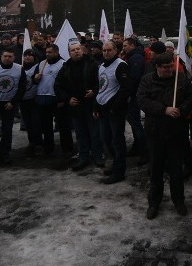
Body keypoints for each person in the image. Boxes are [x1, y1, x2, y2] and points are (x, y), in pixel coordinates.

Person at [137, 51, 192, 219]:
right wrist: (163, 110)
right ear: (157, 67)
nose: (170, 69)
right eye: (166, 67)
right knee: (155, 170)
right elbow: (142, 101)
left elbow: (190, 99)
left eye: (172, 65)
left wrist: (181, 110)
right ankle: (154, 202)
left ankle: (179, 201)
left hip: (176, 133)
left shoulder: (181, 78)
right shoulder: (147, 80)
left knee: (176, 171)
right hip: (155, 133)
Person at [55, 43, 103, 171]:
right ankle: (83, 157)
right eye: (73, 50)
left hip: (91, 104)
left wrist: (94, 91)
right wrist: (67, 99)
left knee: (94, 132)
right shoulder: (66, 67)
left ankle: (98, 155)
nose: (76, 51)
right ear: (69, 53)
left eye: (78, 49)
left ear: (82, 51)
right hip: (75, 106)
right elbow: (58, 85)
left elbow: (102, 82)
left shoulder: (93, 64)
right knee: (80, 133)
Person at [94, 41, 131, 184]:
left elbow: (125, 89)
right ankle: (116, 164)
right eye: (104, 50)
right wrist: (96, 107)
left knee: (117, 141)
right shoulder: (102, 66)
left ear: (115, 50)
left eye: (109, 50)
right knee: (107, 139)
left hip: (115, 111)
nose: (106, 53)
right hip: (103, 109)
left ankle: (119, 171)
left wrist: (114, 107)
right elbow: (100, 88)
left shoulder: (121, 65)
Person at [0, 48, 27, 165]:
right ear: (1, 57)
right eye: (5, 56)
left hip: (9, 104)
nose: (7, 58)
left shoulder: (19, 69)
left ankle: (5, 153)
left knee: (7, 129)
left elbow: (22, 87)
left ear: (14, 57)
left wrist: (13, 102)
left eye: (10, 56)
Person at [31, 44, 71, 157]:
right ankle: (48, 148)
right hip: (43, 98)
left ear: (56, 52)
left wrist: (63, 98)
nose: (47, 54)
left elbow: (67, 83)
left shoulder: (63, 64)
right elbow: (34, 80)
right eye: (46, 52)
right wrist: (35, 78)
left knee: (63, 126)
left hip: (57, 99)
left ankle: (67, 149)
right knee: (46, 126)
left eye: (50, 52)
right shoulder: (42, 64)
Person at [122, 36, 148, 164]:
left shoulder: (136, 57)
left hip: (134, 95)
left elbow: (134, 78)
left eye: (125, 46)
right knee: (133, 122)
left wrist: (128, 94)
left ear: (132, 45)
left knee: (136, 123)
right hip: (133, 94)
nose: (123, 48)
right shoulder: (132, 57)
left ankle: (144, 150)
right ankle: (138, 146)